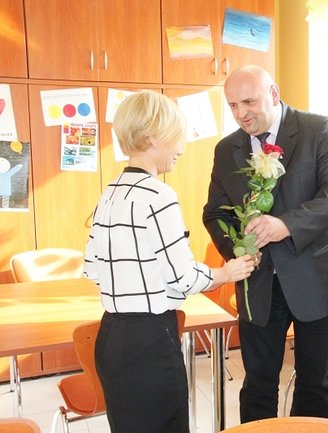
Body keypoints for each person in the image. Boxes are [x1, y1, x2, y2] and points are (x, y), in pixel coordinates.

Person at [83, 90, 255, 433]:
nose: (181, 147)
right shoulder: (158, 195)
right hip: (150, 342)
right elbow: (183, 277)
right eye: (177, 137)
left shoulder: (110, 193)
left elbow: (93, 268)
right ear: (152, 138)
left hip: (112, 337)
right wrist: (226, 273)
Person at [203, 65, 328, 421]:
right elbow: (214, 213)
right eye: (233, 105)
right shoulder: (226, 149)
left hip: (317, 279)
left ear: (273, 94)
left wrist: (285, 225)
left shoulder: (319, 130)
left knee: (313, 384)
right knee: (257, 384)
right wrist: (239, 251)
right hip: (259, 284)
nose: (241, 113)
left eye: (249, 102)